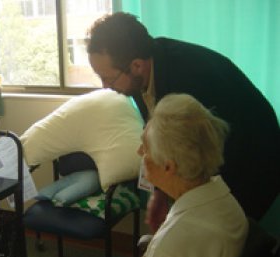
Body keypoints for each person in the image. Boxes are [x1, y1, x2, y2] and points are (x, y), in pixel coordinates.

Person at [86, 12, 280, 230]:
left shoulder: (189, 79)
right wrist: (159, 192)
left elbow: (205, 161)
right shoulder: (140, 75)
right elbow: (161, 144)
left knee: (226, 235)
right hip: (225, 155)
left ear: (137, 65)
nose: (105, 86)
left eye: (107, 78)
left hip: (254, 157)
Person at [138, 93, 248, 257]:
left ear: (168, 167)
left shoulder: (170, 243)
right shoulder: (227, 201)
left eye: (145, 147)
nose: (139, 151)